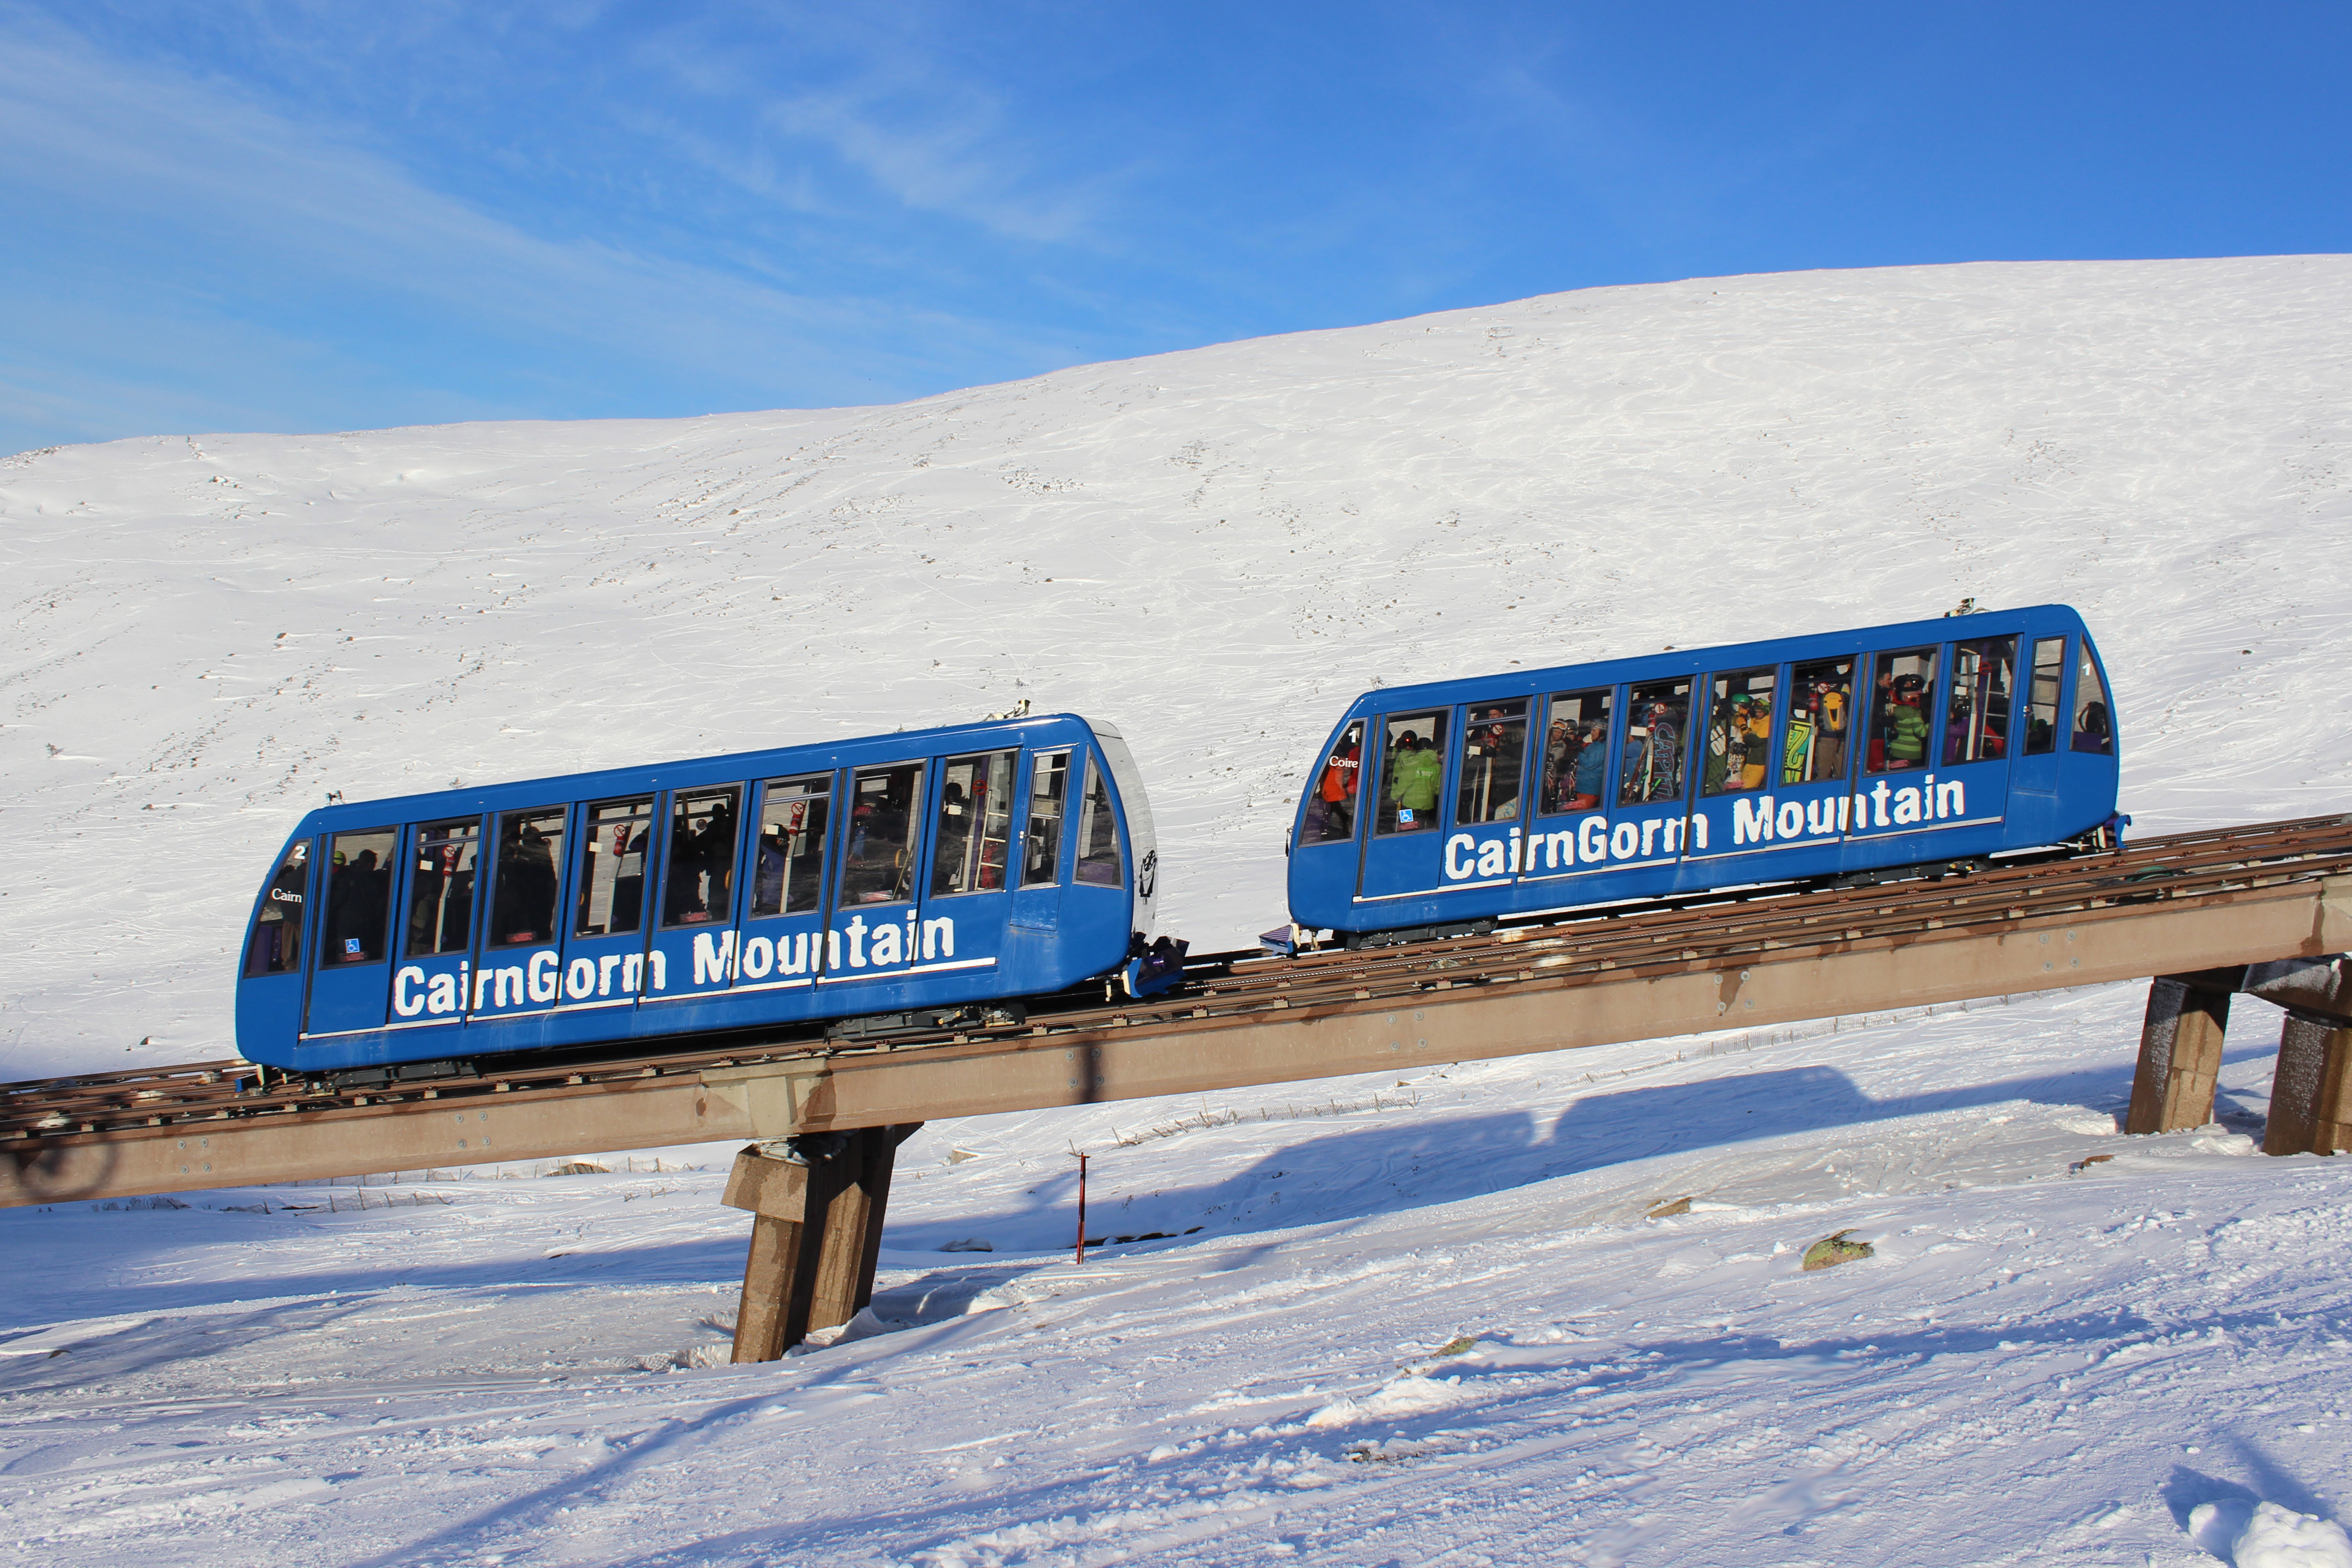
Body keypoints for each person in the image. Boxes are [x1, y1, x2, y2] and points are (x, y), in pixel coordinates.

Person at [1388, 730, 1441, 829]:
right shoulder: (1438, 766)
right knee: (1422, 830)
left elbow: (1405, 782)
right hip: (1428, 805)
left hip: (1409, 805)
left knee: (1406, 828)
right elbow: (1438, 788)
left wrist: (1394, 797)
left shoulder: (1413, 764)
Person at [1319, 726, 1362, 835]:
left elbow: (1343, 775)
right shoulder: (1353, 751)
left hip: (1336, 791)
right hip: (1336, 791)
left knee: (1339, 816)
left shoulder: (1339, 754)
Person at [1882, 673, 1930, 768]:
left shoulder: (1895, 710)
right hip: (1911, 754)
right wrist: (1932, 724)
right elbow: (1921, 733)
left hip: (1895, 751)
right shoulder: (1914, 713)